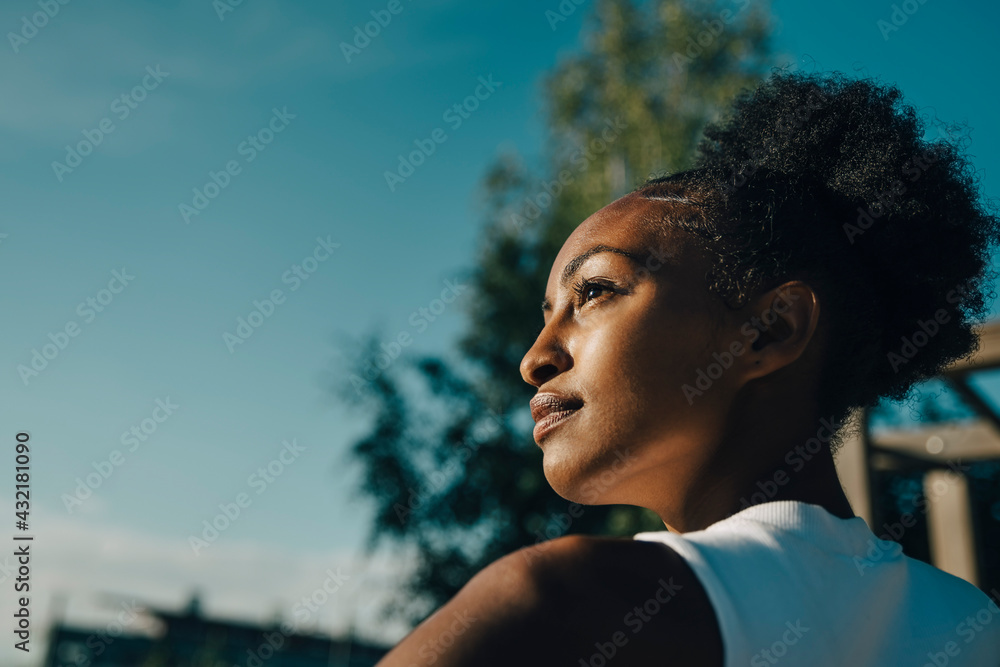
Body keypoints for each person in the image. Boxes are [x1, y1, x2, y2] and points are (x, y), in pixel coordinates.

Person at [375, 69, 1000, 666]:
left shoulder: (555, 608)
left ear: (771, 329)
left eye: (594, 292)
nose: (534, 360)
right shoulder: (973, 625)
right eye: (547, 315)